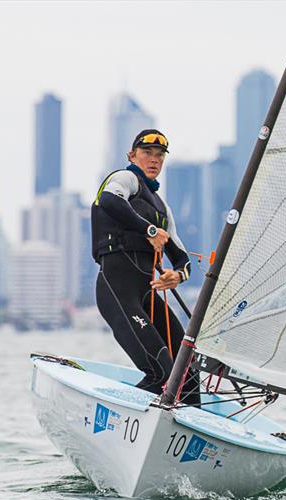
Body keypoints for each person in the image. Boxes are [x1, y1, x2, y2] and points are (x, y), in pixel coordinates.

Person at [91, 129, 200, 405]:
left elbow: (182, 258)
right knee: (160, 370)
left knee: (186, 368)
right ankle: (124, 418)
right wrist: (149, 229)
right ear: (132, 156)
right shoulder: (124, 179)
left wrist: (178, 275)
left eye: (160, 155)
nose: (154, 160)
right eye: (147, 153)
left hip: (146, 295)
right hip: (117, 290)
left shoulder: (162, 207)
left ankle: (195, 428)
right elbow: (109, 200)